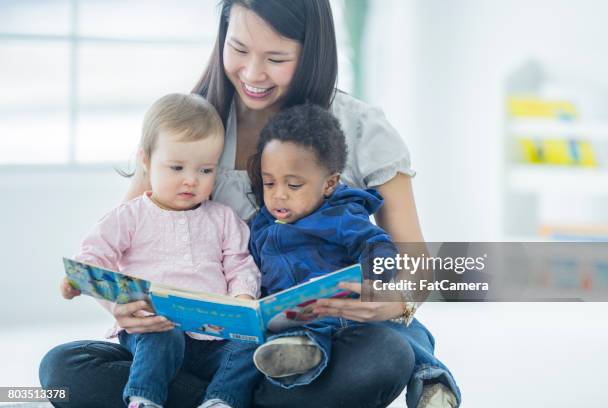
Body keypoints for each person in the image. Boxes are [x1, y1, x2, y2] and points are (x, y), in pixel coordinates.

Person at [40, 1, 461, 407]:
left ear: (312, 53)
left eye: (276, 58)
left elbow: (413, 258)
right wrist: (122, 307)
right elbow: (128, 226)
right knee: (64, 368)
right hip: (192, 344)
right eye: (238, 49)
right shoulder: (191, 125)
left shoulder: (363, 128)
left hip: (305, 347)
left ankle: (223, 398)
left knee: (386, 353)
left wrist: (397, 301)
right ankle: (234, 399)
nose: (253, 73)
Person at [59, 93, 262, 408]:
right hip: (152, 333)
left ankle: (221, 400)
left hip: (214, 339)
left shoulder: (222, 218)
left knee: (251, 347)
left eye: (206, 170)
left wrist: (243, 299)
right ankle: (145, 399)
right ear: (146, 160)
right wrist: (78, 281)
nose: (191, 181)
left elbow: (240, 266)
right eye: (177, 167)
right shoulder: (130, 216)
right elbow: (92, 258)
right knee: (156, 335)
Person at [246, 102, 405, 389]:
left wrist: (373, 279)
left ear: (329, 184)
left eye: (293, 186)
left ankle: (430, 373)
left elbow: (380, 246)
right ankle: (293, 360)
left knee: (402, 331)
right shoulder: (261, 226)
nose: (279, 195)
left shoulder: (341, 216)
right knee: (264, 342)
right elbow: (251, 267)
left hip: (339, 312)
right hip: (285, 318)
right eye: (269, 184)